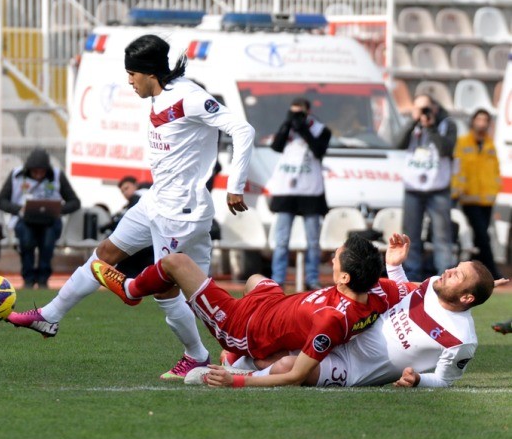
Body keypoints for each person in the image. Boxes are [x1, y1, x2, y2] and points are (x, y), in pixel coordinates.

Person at [7, 33, 255, 380]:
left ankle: (205, 354)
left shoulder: (189, 98)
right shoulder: (161, 95)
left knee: (175, 291)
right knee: (107, 253)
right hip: (156, 201)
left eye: (132, 74)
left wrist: (235, 185)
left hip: (180, 213)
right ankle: (50, 316)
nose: (129, 81)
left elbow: (243, 130)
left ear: (150, 73)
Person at [90, 233, 404, 387]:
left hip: (243, 326)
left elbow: (296, 374)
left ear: (346, 277)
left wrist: (237, 382)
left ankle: (131, 291)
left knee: (176, 263)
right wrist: (395, 263)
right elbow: (422, 289)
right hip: (270, 302)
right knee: (257, 278)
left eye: (336, 258)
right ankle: (241, 353)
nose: (332, 258)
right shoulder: (379, 290)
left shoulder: (331, 320)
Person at [198, 236, 496, 389]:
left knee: (284, 368)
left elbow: (445, 380)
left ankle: (235, 374)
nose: (447, 271)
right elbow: (405, 296)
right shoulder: (432, 284)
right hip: (346, 338)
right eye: (454, 267)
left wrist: (419, 380)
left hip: (355, 370)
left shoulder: (461, 338)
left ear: (467, 297)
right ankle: (238, 362)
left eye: (457, 275)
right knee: (271, 352)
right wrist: (393, 266)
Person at [267, 97, 331, 290]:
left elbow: (319, 150)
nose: (297, 116)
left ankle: (312, 279)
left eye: (300, 113)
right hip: (287, 191)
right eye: (293, 112)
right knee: (282, 240)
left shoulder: (321, 129)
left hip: (310, 191)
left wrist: (303, 127)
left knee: (313, 241)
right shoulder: (287, 129)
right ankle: (277, 279)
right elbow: (276, 146)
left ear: (308, 111)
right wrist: (288, 123)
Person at [0, 147, 80, 288]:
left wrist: (58, 209)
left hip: (50, 221)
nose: (39, 175)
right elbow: (0, 201)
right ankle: (28, 279)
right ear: (28, 169)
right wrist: (18, 209)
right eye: (35, 172)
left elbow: (74, 202)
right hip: (24, 220)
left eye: (42, 172)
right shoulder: (16, 176)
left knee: (47, 242)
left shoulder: (58, 176)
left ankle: (43, 279)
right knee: (26, 241)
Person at [397, 93, 457, 282]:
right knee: (410, 236)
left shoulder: (447, 124)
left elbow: (446, 149)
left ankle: (444, 277)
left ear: (435, 108)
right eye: (418, 108)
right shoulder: (412, 125)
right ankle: (412, 275)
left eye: (426, 108)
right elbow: (397, 144)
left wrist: (431, 128)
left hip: (437, 189)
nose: (423, 112)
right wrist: (413, 122)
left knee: (442, 236)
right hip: (413, 189)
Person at [451, 108, 502, 280]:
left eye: (485, 120)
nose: (482, 123)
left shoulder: (489, 144)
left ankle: (478, 275)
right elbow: (458, 168)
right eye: (479, 119)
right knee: (482, 236)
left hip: (486, 199)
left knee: (480, 238)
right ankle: (492, 272)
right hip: (469, 198)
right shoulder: (463, 142)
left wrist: (495, 190)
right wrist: (457, 190)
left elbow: (494, 170)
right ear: (473, 121)